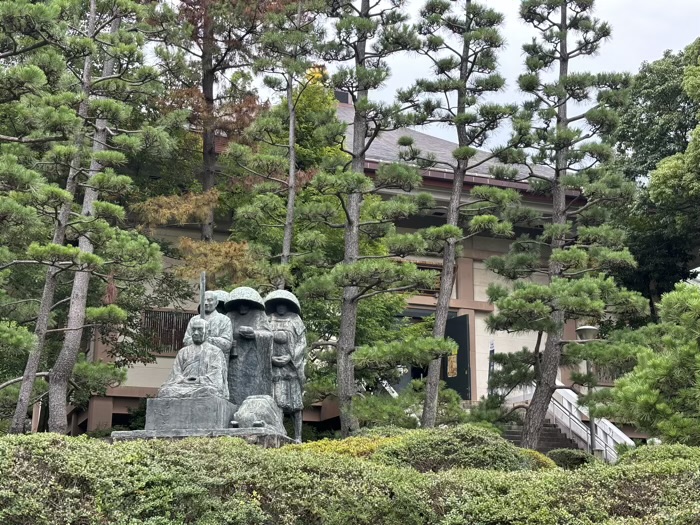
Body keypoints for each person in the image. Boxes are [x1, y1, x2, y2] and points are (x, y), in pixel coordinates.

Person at [264, 290, 306, 442]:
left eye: (284, 303)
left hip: (292, 366)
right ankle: (278, 430)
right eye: (278, 304)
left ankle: (298, 436)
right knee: (278, 401)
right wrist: (270, 357)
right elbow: (264, 339)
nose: (281, 307)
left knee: (296, 404)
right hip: (275, 365)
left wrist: (291, 357)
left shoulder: (295, 320)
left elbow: (302, 342)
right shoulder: (269, 319)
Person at [225, 287, 274, 407]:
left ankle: (252, 410)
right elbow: (223, 333)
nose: (242, 307)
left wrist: (255, 333)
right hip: (234, 357)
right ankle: (233, 410)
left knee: (252, 384)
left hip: (252, 356)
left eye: (246, 304)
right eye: (240, 304)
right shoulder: (230, 316)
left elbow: (269, 334)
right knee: (234, 385)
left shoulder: (259, 315)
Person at [159, 318, 229, 399]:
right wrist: (183, 380)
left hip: (204, 386)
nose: (196, 333)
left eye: (199, 329)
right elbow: (175, 374)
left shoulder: (215, 352)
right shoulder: (183, 351)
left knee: (209, 391)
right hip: (183, 386)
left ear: (207, 332)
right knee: (165, 391)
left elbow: (216, 377)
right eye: (194, 330)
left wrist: (199, 380)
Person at [184, 290, 233, 360]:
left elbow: (227, 344)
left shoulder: (224, 320)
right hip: (195, 359)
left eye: (210, 300)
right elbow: (186, 341)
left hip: (217, 360)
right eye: (204, 300)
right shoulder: (194, 320)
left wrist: (207, 339)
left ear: (216, 303)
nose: (206, 303)